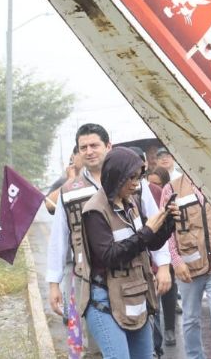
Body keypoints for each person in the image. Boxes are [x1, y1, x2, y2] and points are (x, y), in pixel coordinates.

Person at [47, 124, 172, 358]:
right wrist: (54, 282)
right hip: (96, 284)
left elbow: (152, 225)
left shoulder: (133, 181)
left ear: (108, 146)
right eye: (83, 147)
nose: (89, 151)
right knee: (101, 351)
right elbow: (60, 239)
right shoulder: (71, 191)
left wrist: (163, 264)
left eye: (94, 145)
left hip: (136, 283)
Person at [78, 147, 179, 358]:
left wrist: (168, 223)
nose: (136, 182)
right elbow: (110, 257)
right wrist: (147, 231)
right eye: (131, 177)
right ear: (116, 174)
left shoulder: (130, 202)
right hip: (104, 299)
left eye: (139, 177)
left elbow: (148, 243)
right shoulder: (94, 210)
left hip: (133, 295)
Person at [161, 172, 211, 359]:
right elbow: (167, 230)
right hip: (189, 268)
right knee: (190, 319)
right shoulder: (171, 189)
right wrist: (176, 260)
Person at [147, 167, 179, 348]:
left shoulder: (163, 193)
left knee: (168, 293)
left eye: (157, 183)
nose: (152, 186)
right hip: (147, 253)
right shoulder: (136, 192)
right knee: (153, 302)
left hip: (165, 250)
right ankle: (156, 343)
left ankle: (169, 329)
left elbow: (170, 223)